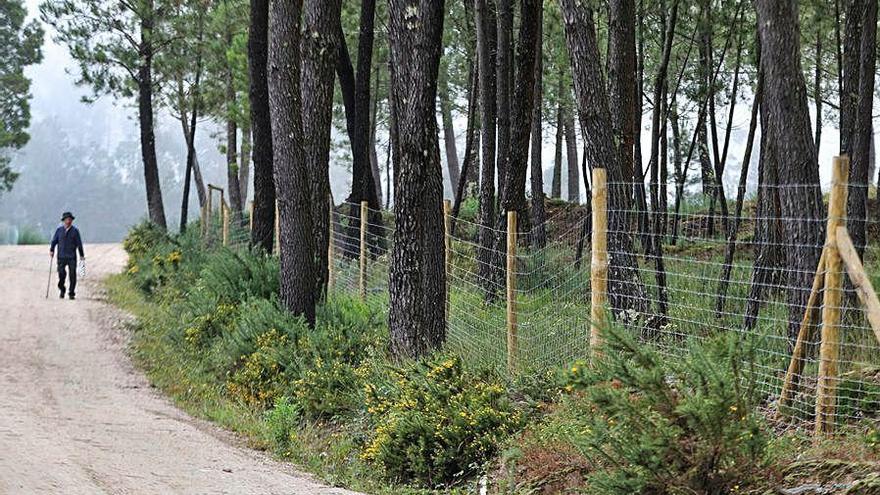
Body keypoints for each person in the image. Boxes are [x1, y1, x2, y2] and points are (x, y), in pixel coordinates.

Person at [50, 211, 85, 300]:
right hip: (61, 257)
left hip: (71, 257)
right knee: (61, 274)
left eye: (70, 219)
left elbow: (79, 244)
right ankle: (62, 288)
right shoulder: (59, 230)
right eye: (67, 220)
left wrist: (81, 255)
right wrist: (52, 250)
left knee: (72, 275)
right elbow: (54, 241)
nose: (68, 221)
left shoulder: (75, 231)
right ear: (64, 221)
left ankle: (71, 293)